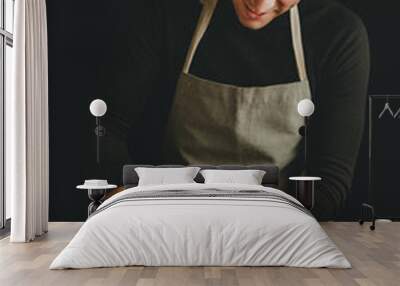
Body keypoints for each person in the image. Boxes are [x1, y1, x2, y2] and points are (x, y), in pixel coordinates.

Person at [105, 0, 370, 219]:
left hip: (282, 219)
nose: (260, 3)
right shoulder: (170, 14)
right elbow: (107, 129)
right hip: (174, 214)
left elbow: (330, 182)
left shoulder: (337, 33)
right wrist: (127, 201)